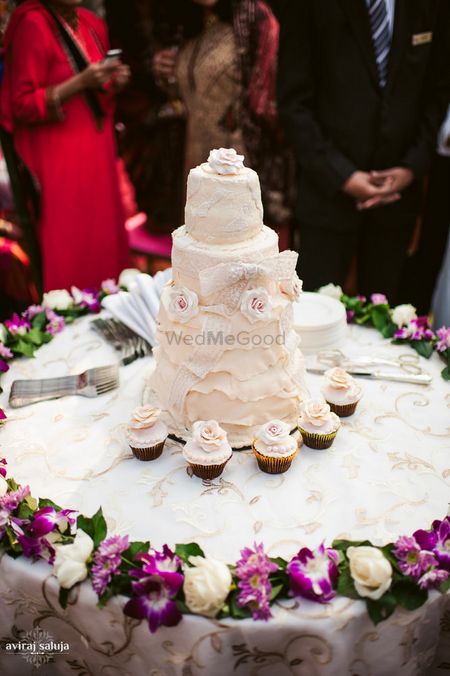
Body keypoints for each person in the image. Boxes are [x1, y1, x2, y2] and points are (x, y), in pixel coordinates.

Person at [278, 0, 450, 303]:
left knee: (386, 326)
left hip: (397, 201)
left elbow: (437, 93)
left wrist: (412, 167)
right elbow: (293, 103)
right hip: (327, 196)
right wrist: (341, 175)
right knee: (313, 315)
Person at [0, 0, 130, 291]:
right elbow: (20, 105)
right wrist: (79, 82)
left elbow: (99, 97)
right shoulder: (33, 23)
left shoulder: (90, 22)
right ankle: (70, 320)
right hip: (60, 156)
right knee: (72, 242)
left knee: (102, 239)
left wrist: (114, 81)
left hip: (96, 149)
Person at [146, 0, 296, 233]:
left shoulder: (253, 17)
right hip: (194, 166)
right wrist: (165, 73)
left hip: (239, 167)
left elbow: (268, 106)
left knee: (238, 255)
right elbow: (186, 97)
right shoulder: (185, 24)